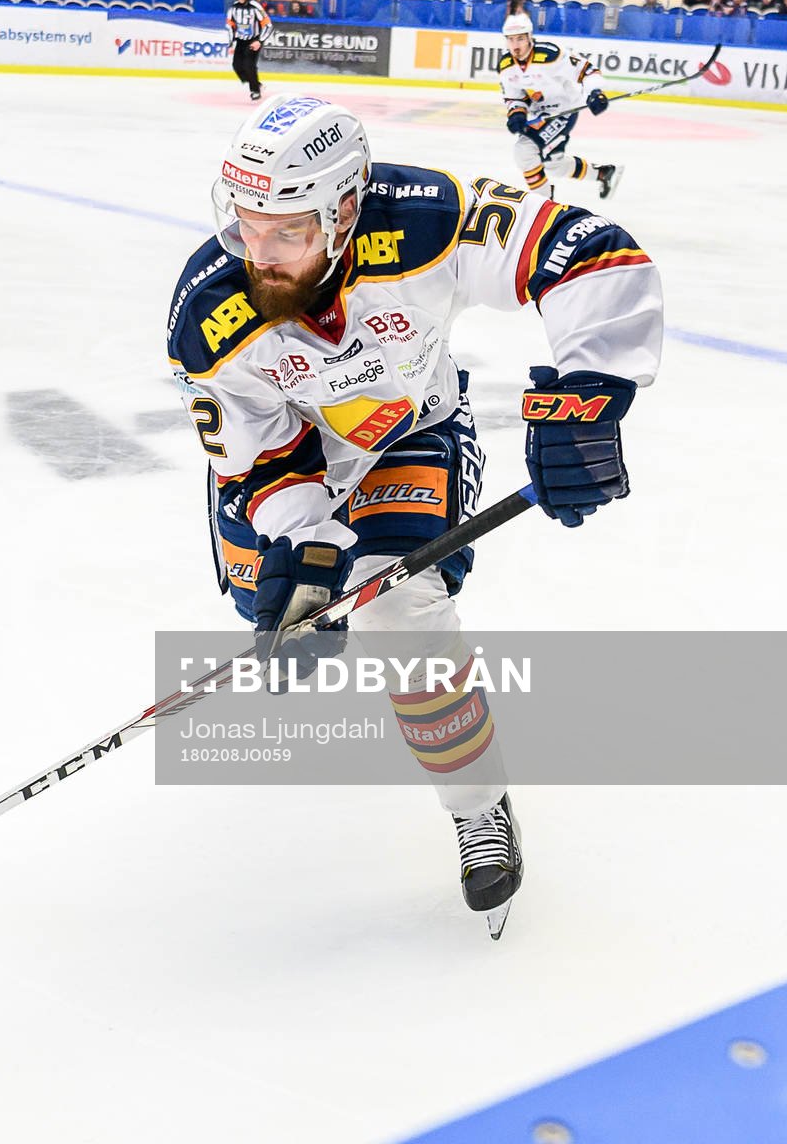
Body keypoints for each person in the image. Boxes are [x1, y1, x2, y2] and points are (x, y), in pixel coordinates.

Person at [168, 94, 662, 936]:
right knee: (281, 610)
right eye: (247, 224)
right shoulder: (207, 316)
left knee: (401, 612)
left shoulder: (428, 221)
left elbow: (589, 254)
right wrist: (304, 542)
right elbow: (258, 453)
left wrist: (591, 392)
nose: (259, 252)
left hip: (411, 432)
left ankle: (478, 805)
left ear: (347, 209)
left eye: (286, 230)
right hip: (295, 462)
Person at [496, 7, 621, 198]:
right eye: (511, 39)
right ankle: (602, 173)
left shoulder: (550, 55)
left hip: (563, 111)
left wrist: (595, 92)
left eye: (520, 39)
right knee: (553, 164)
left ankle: (544, 206)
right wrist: (517, 113)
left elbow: (587, 71)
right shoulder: (506, 66)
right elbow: (514, 96)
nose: (515, 45)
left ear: (530, 37)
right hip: (541, 115)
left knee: (524, 151)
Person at [225, 0, 269, 100]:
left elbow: (268, 25)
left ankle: (255, 91)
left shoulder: (255, 7)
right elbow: (230, 26)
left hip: (254, 40)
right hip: (241, 40)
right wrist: (230, 43)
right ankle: (256, 84)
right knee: (237, 66)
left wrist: (259, 41)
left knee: (249, 65)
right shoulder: (233, 8)